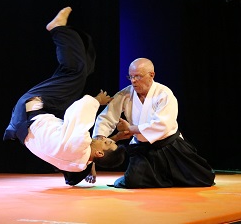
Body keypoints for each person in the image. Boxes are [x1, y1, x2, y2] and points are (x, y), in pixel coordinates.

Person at [3, 7, 125, 186]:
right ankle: (75, 43)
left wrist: (97, 101)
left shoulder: (80, 144)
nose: (105, 138)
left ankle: (57, 29)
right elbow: (73, 179)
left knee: (75, 73)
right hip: (27, 120)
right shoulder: (78, 165)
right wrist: (107, 148)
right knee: (82, 72)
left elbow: (77, 112)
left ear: (99, 154)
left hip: (32, 107)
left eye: (107, 143)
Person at [92, 57, 216, 189]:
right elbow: (106, 117)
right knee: (133, 182)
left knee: (203, 178)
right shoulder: (125, 94)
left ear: (151, 75)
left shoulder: (164, 94)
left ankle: (167, 176)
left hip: (169, 145)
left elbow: (163, 124)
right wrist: (99, 139)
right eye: (131, 76)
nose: (133, 81)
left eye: (138, 76)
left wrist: (131, 129)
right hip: (142, 149)